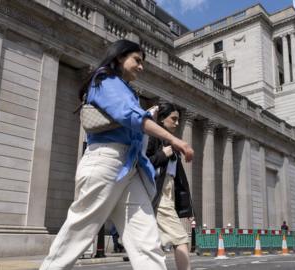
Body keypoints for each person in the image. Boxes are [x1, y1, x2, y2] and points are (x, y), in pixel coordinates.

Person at [39, 40, 193, 270]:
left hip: (131, 168)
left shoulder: (125, 88)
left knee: (146, 242)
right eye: (137, 60)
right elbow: (132, 117)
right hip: (106, 161)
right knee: (79, 232)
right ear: (120, 57)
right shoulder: (104, 80)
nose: (141, 67)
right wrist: (174, 139)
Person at [147, 103, 194, 270]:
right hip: (157, 192)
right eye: (173, 119)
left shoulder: (171, 143)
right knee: (180, 238)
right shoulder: (154, 138)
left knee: (152, 242)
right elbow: (141, 163)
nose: (177, 123)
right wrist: (162, 155)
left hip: (168, 192)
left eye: (178, 120)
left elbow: (179, 182)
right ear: (161, 119)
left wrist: (187, 209)